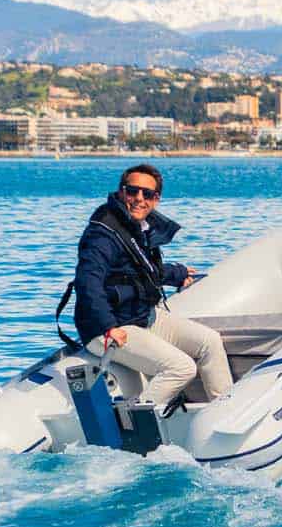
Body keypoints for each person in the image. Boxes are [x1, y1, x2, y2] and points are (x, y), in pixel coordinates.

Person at [72, 164, 232, 410]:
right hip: (108, 328)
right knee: (182, 367)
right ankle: (136, 419)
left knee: (209, 341)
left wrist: (176, 274)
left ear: (156, 199)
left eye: (147, 194)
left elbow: (141, 273)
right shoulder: (102, 234)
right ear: (121, 192)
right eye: (132, 191)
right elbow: (87, 283)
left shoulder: (136, 228)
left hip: (141, 317)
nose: (139, 199)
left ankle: (224, 411)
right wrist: (107, 326)